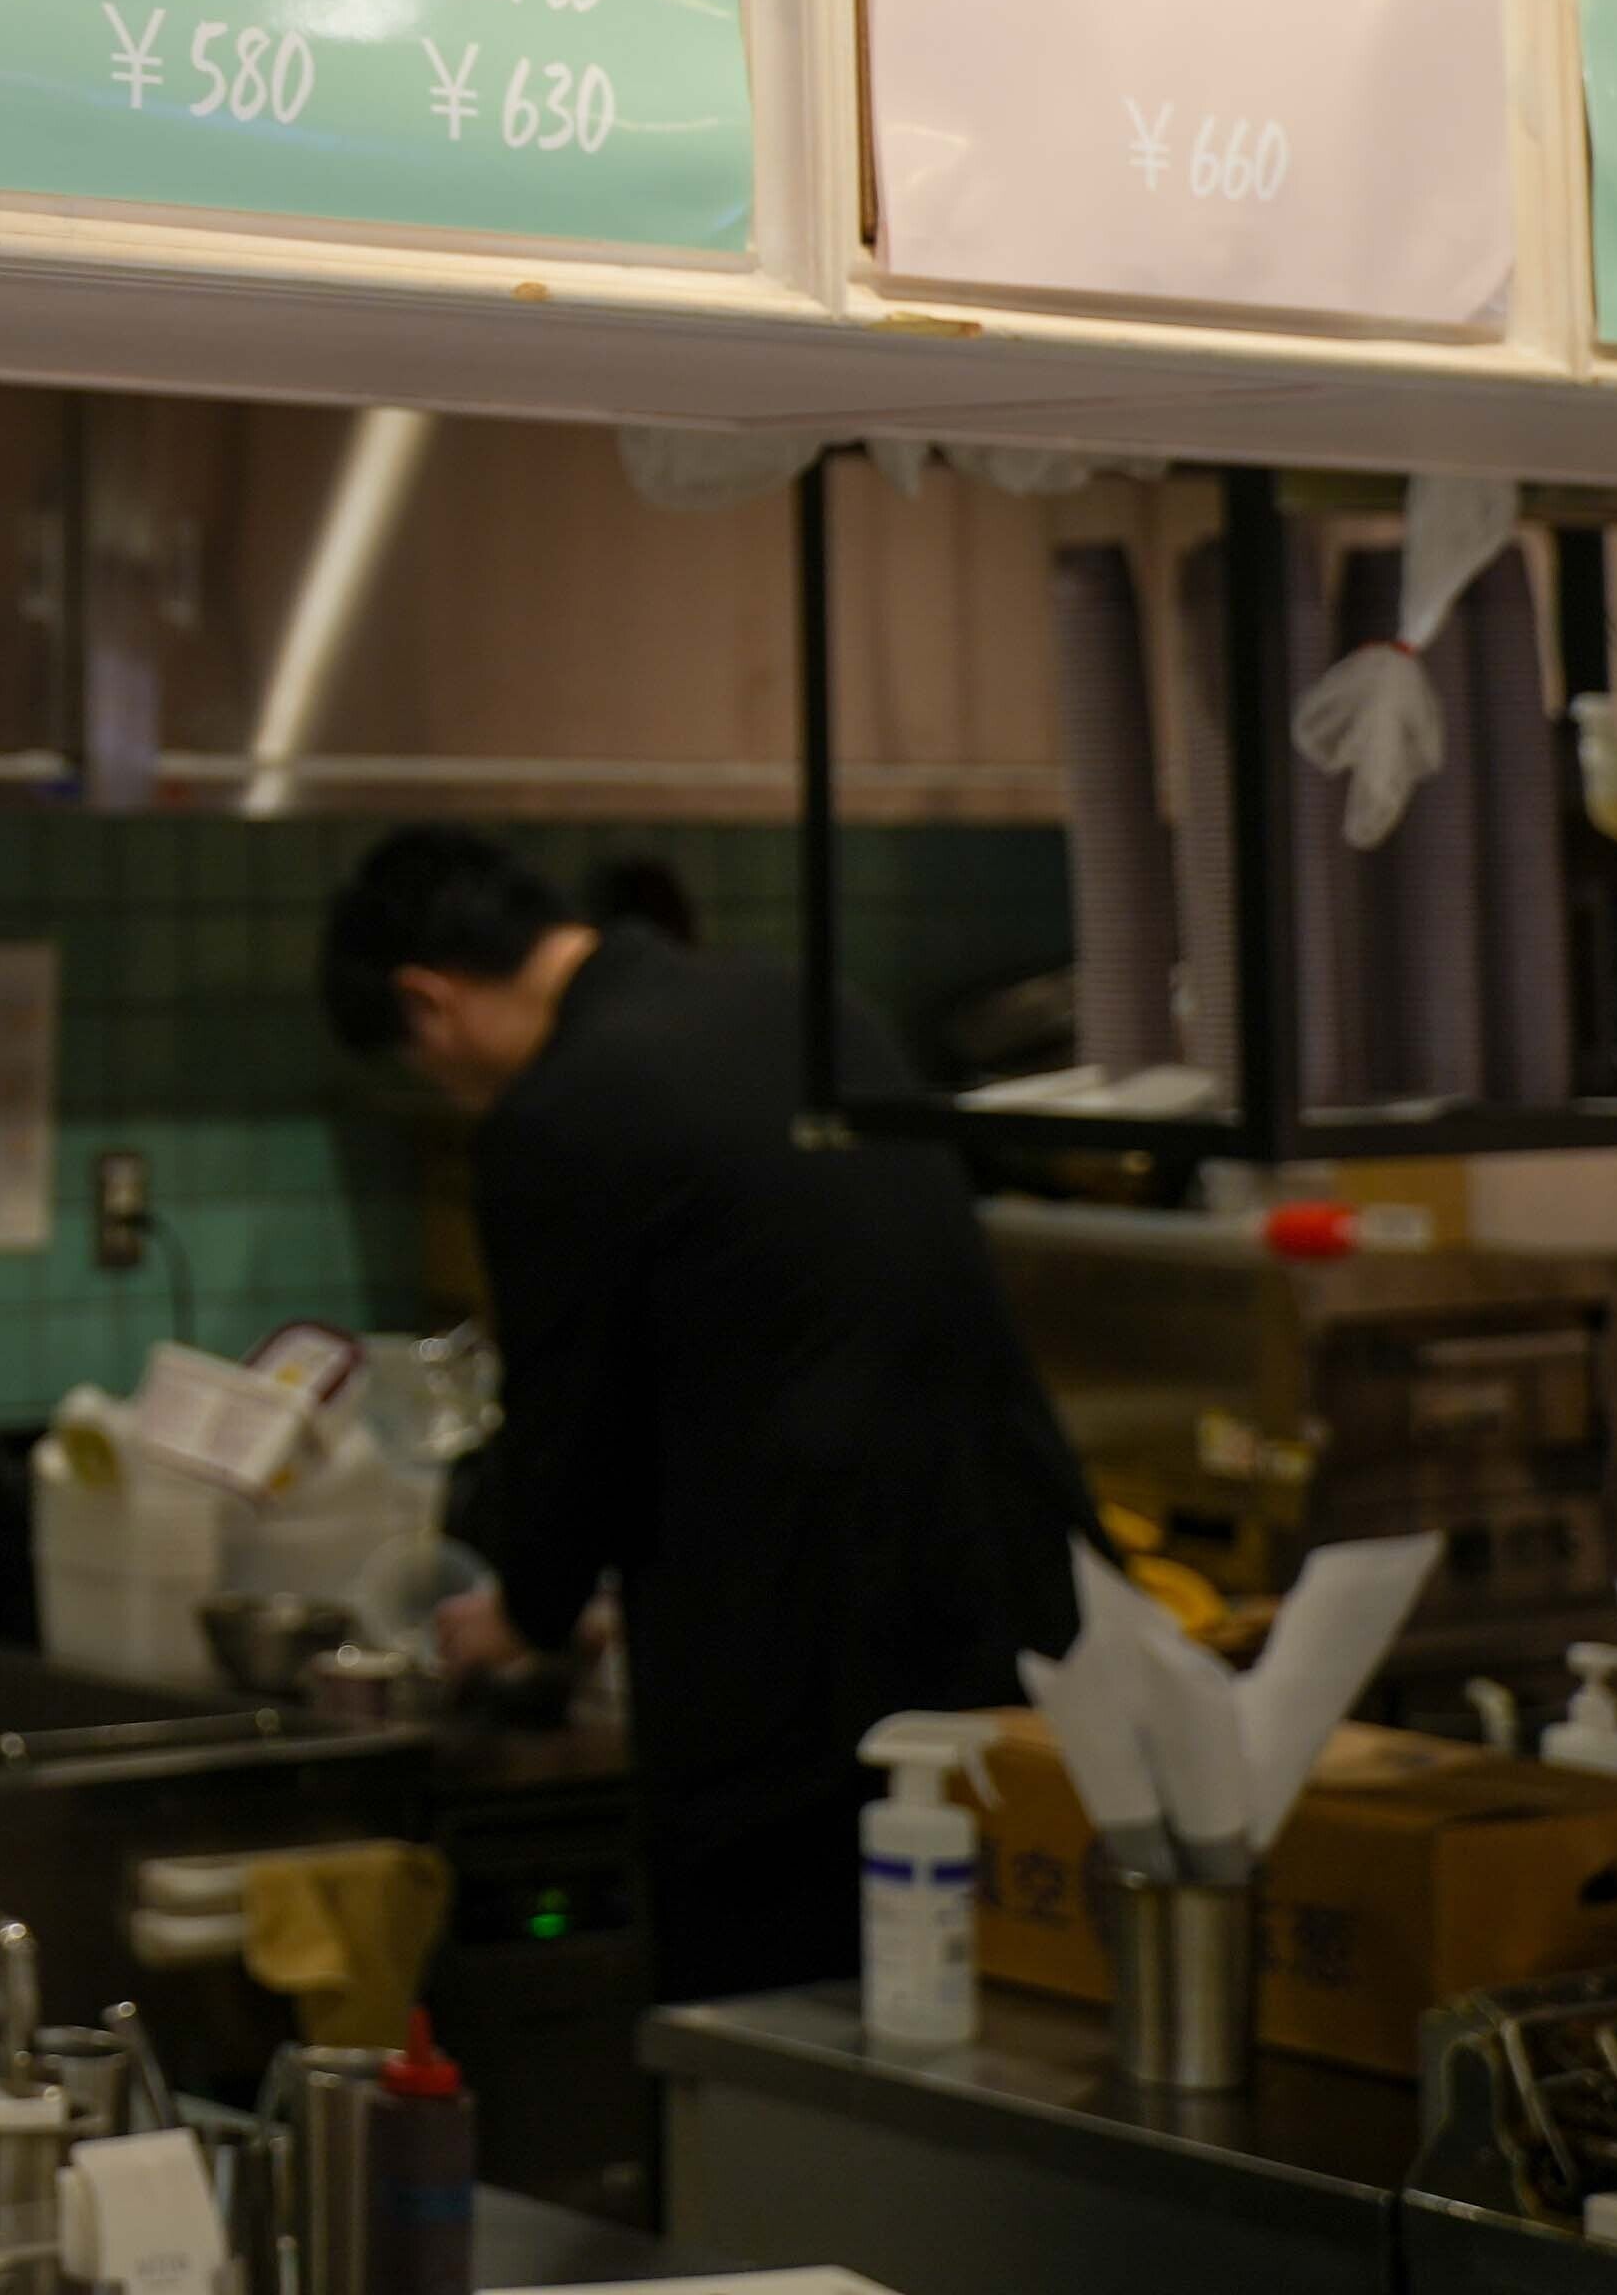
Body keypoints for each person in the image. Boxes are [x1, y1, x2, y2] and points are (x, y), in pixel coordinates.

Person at [323, 825, 1096, 2003]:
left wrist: (522, 1611)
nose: (454, 1094)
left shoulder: (560, 1113)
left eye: (428, 1068)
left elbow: (572, 1417)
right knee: (997, 2025)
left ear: (430, 1001)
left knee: (771, 2049)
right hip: (1015, 1612)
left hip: (796, 1683)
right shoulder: (799, 1001)